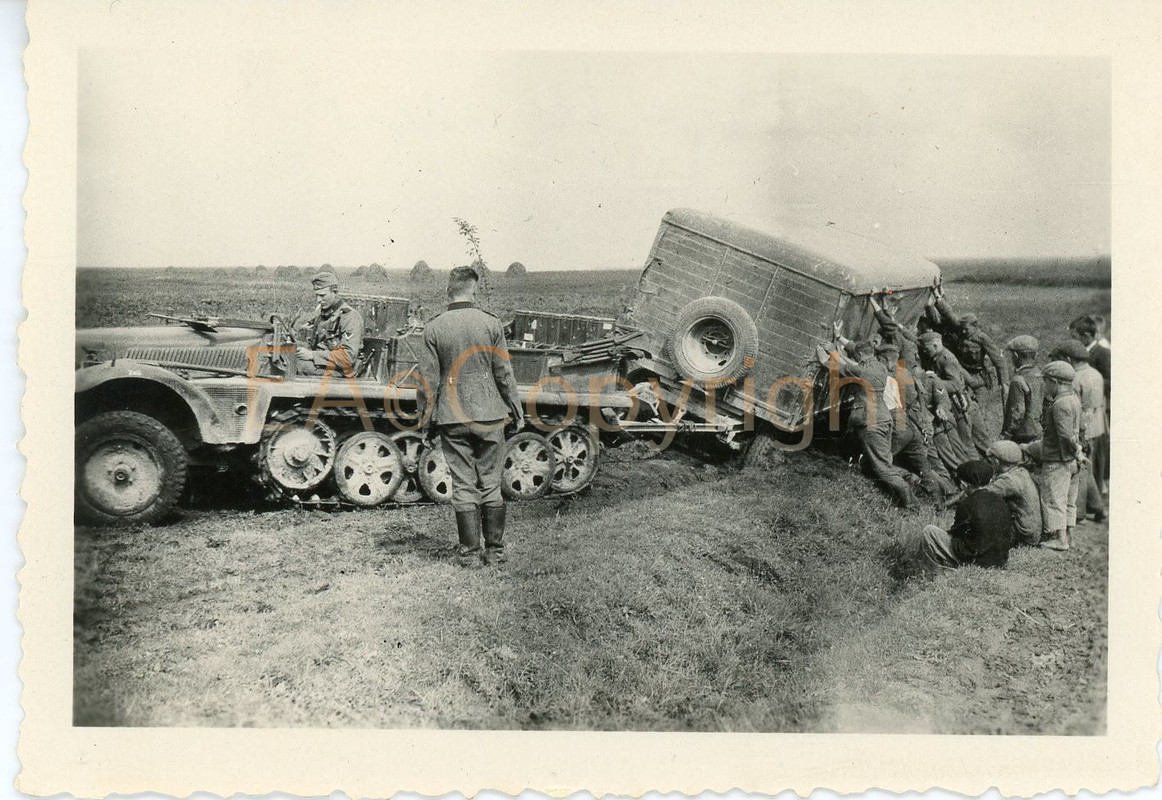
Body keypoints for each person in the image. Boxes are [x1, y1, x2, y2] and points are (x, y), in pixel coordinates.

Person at [416, 266, 526, 567]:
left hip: (452, 418)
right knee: (490, 482)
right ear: (473, 291)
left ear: (448, 292)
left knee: (464, 485)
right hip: (490, 417)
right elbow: (504, 373)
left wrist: (425, 423)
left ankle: (469, 554)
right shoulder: (491, 324)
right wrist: (516, 410)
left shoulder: (434, 328)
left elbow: (429, 383)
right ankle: (495, 551)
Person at [821, 335, 915, 508]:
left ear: (860, 355)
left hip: (870, 421)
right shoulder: (879, 366)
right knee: (882, 460)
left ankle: (910, 503)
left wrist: (826, 355)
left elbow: (837, 367)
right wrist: (836, 351)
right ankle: (909, 477)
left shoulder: (863, 371)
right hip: (884, 418)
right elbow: (854, 366)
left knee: (882, 468)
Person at [920, 460, 1014, 570]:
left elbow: (956, 533)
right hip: (1000, 559)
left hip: (977, 560)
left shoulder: (967, 503)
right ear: (989, 480)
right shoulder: (999, 499)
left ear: (964, 485)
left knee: (929, 531)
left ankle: (931, 568)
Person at [1035, 360, 1085, 552]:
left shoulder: (1059, 404)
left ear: (1055, 382)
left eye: (1047, 381)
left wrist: (1074, 453)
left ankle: (1060, 539)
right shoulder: (1074, 399)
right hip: (1072, 460)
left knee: (1053, 498)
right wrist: (1079, 454)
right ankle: (1070, 536)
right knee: (1070, 499)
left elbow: (1065, 436)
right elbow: (1079, 429)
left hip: (1058, 458)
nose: (1046, 385)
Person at [927, 284, 1008, 402]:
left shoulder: (982, 338)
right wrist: (937, 297)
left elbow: (999, 361)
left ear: (975, 326)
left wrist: (1004, 384)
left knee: (980, 406)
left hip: (978, 377)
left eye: (967, 329)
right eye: (963, 328)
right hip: (962, 372)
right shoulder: (961, 329)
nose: (963, 331)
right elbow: (949, 314)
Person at [1056, 339, 1107, 523]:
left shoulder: (1074, 379)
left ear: (1070, 359)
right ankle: (1097, 506)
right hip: (1097, 424)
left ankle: (1080, 513)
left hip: (1083, 425)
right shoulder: (1095, 374)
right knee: (1086, 466)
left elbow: (1074, 406)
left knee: (1080, 468)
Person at [918, 330, 991, 457]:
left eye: (927, 349)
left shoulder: (947, 359)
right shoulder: (937, 356)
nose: (925, 351)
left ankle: (978, 472)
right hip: (956, 403)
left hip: (959, 406)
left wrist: (934, 381)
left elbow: (955, 384)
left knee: (966, 443)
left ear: (935, 346)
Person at [1068, 314, 1110, 498]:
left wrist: (1092, 384)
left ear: (1086, 335)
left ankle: (1098, 491)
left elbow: (1111, 380)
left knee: (1097, 451)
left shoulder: (1102, 353)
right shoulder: (1086, 352)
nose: (1073, 341)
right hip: (1091, 407)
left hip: (1098, 408)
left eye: (1075, 337)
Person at [294, 270, 365, 375]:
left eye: (322, 295)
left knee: (294, 366)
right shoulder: (323, 315)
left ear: (335, 292)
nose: (318, 300)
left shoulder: (349, 317)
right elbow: (315, 345)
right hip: (324, 364)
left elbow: (348, 357)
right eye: (317, 295)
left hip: (341, 371)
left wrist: (312, 355)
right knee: (287, 358)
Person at [985, 440, 1042, 547]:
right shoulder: (1021, 472)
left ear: (997, 462)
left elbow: (983, 495)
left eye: (991, 460)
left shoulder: (1008, 481)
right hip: (1031, 531)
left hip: (1024, 535)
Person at [1000, 335, 1043, 443]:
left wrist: (1007, 434)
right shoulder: (1041, 374)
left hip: (1022, 434)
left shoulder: (1018, 380)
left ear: (1016, 355)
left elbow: (1018, 412)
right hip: (1039, 431)